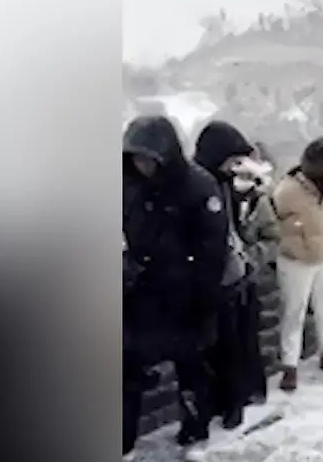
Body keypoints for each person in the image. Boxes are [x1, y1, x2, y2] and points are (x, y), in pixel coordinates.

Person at [122, 116, 228, 456]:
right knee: (126, 367)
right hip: (142, 294)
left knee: (192, 369)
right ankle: (123, 439)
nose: (142, 166)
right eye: (136, 159)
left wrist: (203, 299)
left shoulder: (198, 187)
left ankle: (195, 428)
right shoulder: (128, 185)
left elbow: (213, 250)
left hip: (187, 296)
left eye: (148, 159)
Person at [191, 120, 267, 431]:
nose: (234, 166)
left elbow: (234, 229)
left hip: (234, 277)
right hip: (211, 280)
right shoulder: (198, 187)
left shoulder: (223, 184)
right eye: (232, 159)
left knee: (235, 346)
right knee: (216, 351)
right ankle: (218, 406)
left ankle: (235, 401)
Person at [271, 137, 323, 391]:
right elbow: (273, 225)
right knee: (293, 312)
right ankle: (289, 365)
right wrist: (293, 245)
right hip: (296, 260)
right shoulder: (286, 191)